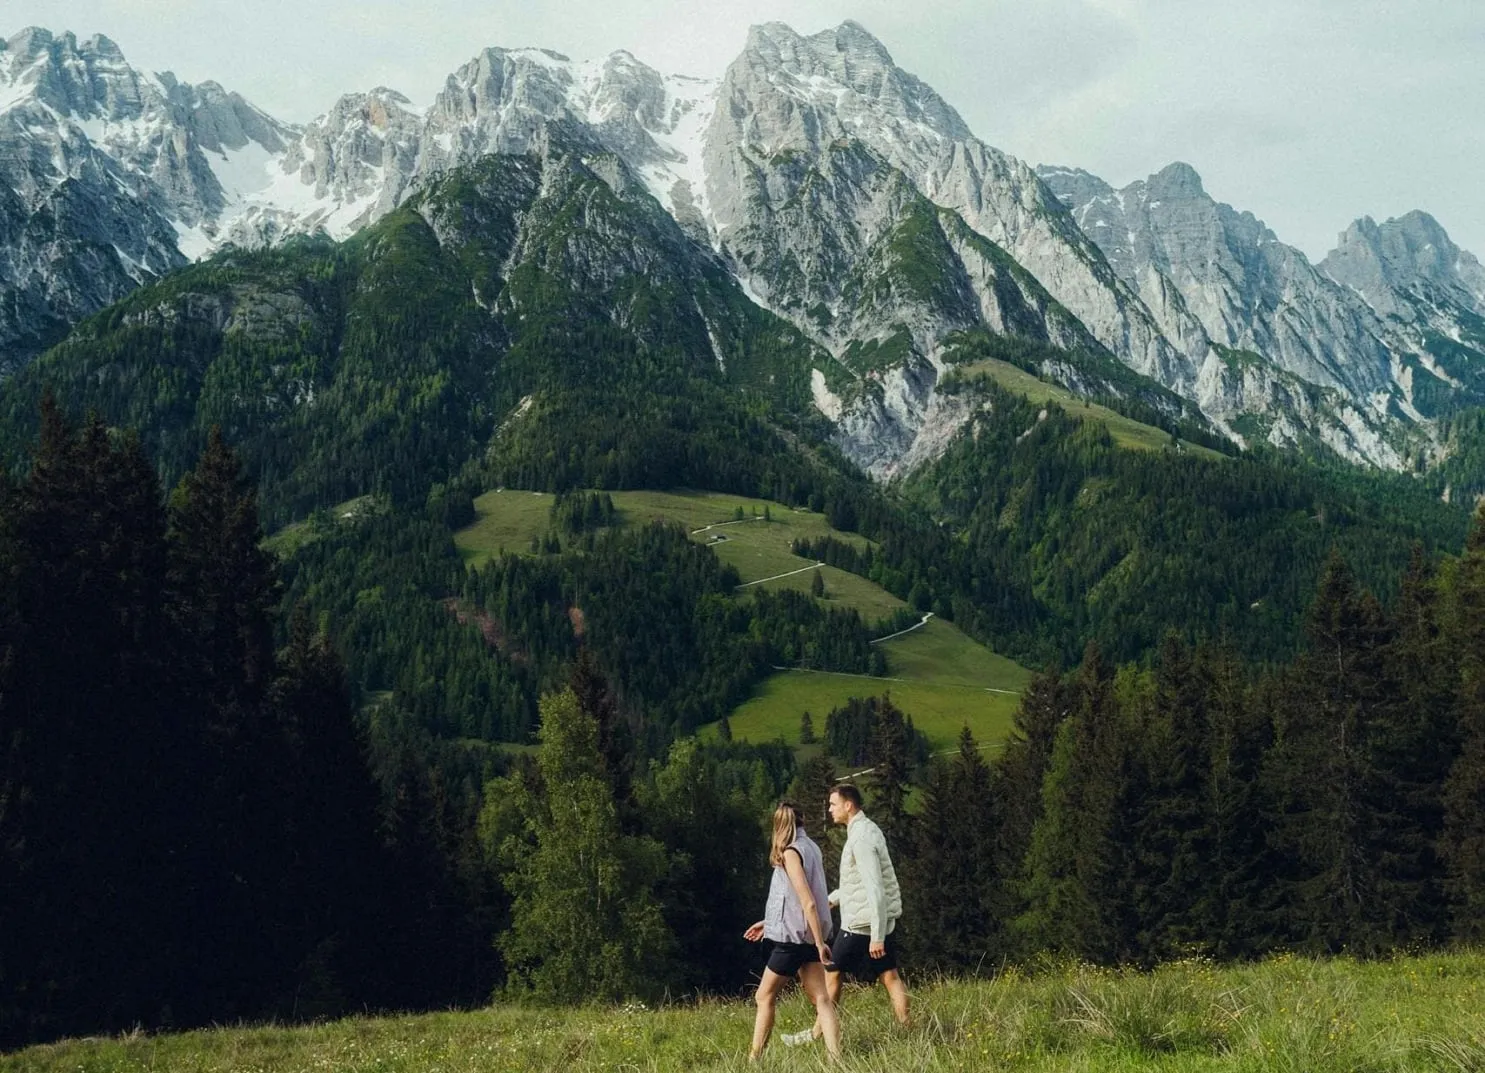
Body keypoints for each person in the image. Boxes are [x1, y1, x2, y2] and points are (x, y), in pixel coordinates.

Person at [782, 782, 909, 1047]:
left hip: (861, 925)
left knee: (831, 972)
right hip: (875, 922)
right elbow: (859, 883)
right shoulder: (866, 829)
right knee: (889, 975)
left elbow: (875, 887)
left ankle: (817, 1033)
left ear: (848, 805)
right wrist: (832, 900)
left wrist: (876, 936)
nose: (830, 809)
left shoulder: (861, 839)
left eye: (833, 804)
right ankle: (906, 1029)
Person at [742, 801, 842, 1062]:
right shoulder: (812, 848)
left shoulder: (790, 852)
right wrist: (767, 923)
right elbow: (799, 901)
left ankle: (755, 1058)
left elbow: (806, 900)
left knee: (764, 996)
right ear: (803, 820)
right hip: (809, 934)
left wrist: (820, 945)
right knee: (821, 998)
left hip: (793, 940)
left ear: (778, 825)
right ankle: (836, 1058)